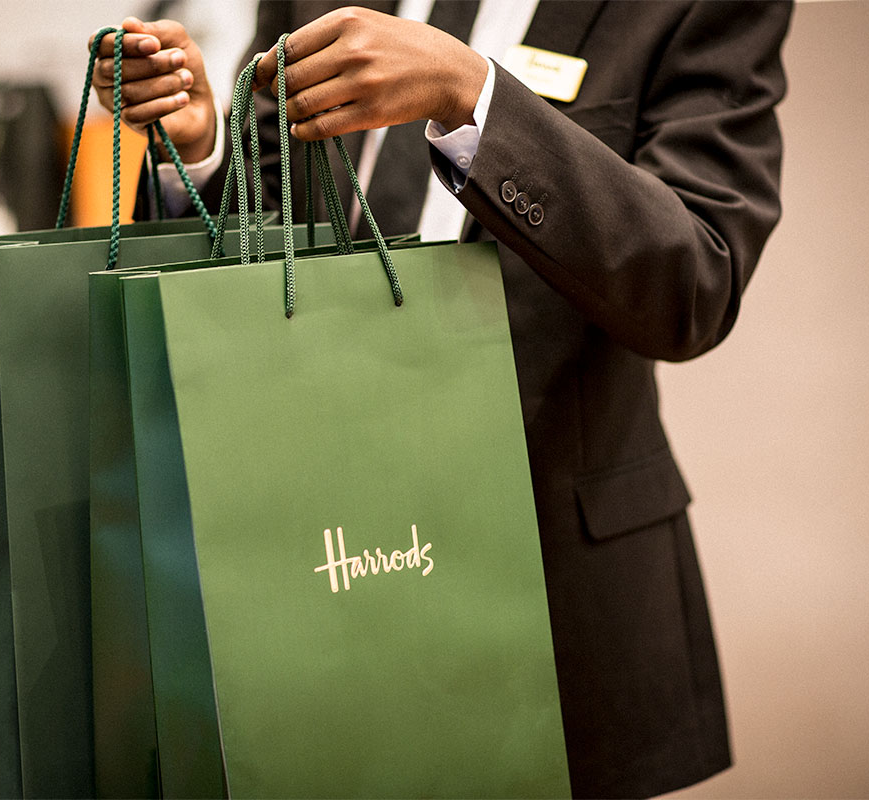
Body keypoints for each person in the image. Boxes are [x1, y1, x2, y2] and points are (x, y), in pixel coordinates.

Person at [90, 2, 792, 796]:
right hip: (308, 561)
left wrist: (472, 94)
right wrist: (202, 149)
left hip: (555, 585)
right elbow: (274, 218)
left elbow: (695, 278)